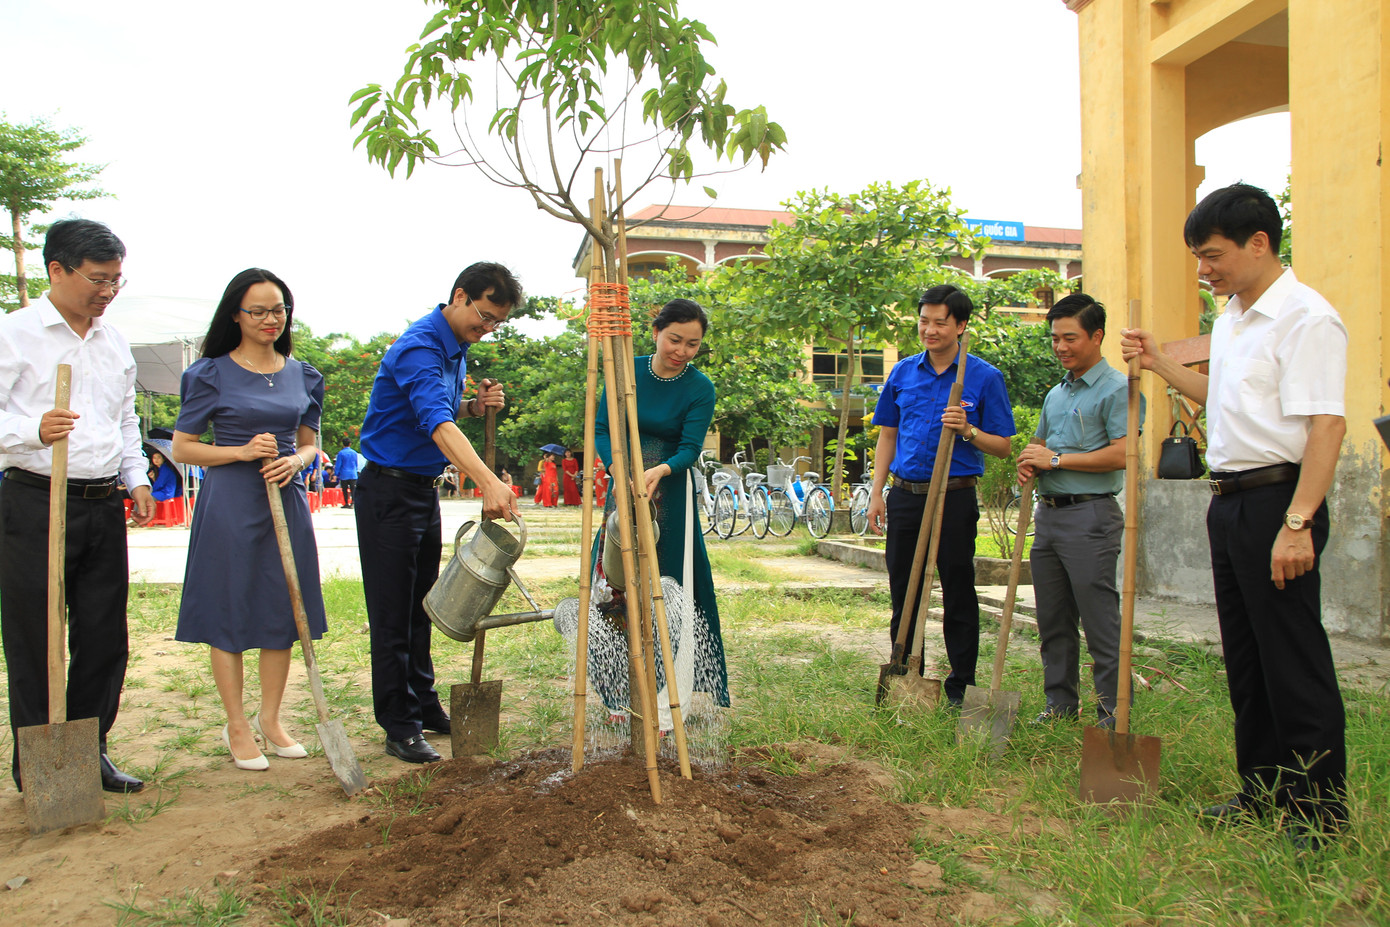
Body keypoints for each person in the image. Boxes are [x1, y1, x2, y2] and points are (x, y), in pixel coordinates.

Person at [1121, 183, 1348, 847]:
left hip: (1281, 501)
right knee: (1247, 660)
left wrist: (1299, 521)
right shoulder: (1234, 319)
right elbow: (1220, 397)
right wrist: (1161, 362)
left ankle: (1319, 811)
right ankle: (1264, 788)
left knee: (1293, 660)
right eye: (1196, 256)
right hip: (1230, 502)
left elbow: (1327, 425)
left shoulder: (1306, 317)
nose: (1203, 269)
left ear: (1259, 243)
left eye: (1212, 255)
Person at [0, 218, 153, 793]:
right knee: (37, 635)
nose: (107, 291)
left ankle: (90, 748)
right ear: (56, 270)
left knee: (104, 634)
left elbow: (124, 420)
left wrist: (135, 477)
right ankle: (39, 761)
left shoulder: (114, 341)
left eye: (116, 280)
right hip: (35, 500)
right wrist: (30, 428)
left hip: (99, 501)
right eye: (97, 279)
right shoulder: (14, 335)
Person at [357, 261, 522, 764]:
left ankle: (424, 704)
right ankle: (399, 723)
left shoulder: (456, 349)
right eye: (485, 315)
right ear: (459, 295)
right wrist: (488, 480)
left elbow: (444, 413)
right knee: (391, 616)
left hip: (421, 492)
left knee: (421, 608)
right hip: (387, 494)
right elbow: (436, 424)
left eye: (496, 323)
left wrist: (475, 408)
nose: (487, 328)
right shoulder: (420, 347)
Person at [171, 268, 325, 772]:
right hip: (231, 504)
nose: (269, 319)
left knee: (284, 611)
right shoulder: (209, 373)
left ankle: (271, 718)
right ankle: (236, 723)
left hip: (286, 497)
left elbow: (310, 443)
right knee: (231, 612)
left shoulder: (304, 375)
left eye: (277, 309)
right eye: (257, 311)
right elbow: (184, 447)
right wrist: (239, 451)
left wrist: (296, 461)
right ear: (235, 314)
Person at [866, 284, 1016, 708]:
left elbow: (1003, 445)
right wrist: (877, 492)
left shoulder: (983, 377)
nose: (929, 330)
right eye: (923, 321)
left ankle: (960, 686)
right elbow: (888, 435)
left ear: (961, 326)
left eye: (940, 323)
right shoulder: (903, 372)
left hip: (954, 496)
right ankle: (905, 673)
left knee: (957, 588)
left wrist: (968, 430)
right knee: (904, 589)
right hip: (906, 495)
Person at [588, 298, 727, 728]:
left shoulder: (700, 388)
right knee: (615, 585)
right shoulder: (624, 371)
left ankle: (671, 695)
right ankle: (618, 696)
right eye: (674, 340)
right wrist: (619, 469)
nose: (682, 350)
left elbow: (690, 448)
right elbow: (601, 429)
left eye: (692, 344)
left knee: (671, 586)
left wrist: (659, 470)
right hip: (622, 486)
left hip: (670, 492)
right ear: (656, 332)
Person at [1016, 293, 1143, 728]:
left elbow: (1123, 453)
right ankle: (1060, 705)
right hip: (1048, 516)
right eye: (1055, 339)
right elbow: (1040, 447)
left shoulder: (1118, 389)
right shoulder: (1055, 393)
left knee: (1099, 619)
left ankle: (1112, 713)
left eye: (1070, 338)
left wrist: (1056, 460)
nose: (1061, 347)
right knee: (1052, 619)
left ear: (1097, 336)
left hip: (1090, 517)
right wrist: (1030, 462)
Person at [334, 439, 360, 508]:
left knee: (344, 489)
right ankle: (353, 502)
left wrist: (336, 474)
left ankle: (346, 503)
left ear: (343, 444)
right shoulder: (354, 453)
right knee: (353, 489)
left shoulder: (341, 453)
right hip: (353, 474)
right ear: (350, 444)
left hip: (344, 474)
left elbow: (338, 465)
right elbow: (356, 463)